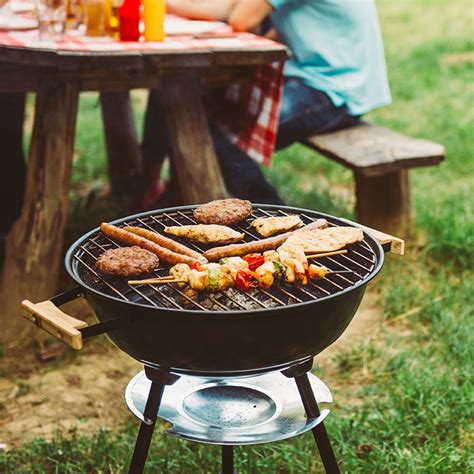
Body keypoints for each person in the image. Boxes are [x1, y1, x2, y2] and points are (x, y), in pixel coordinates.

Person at [141, 0, 392, 205]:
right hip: (325, 78)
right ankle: (172, 191)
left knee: (206, 124)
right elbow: (233, 8)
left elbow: (242, 18)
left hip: (334, 89)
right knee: (180, 98)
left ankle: (271, 215)